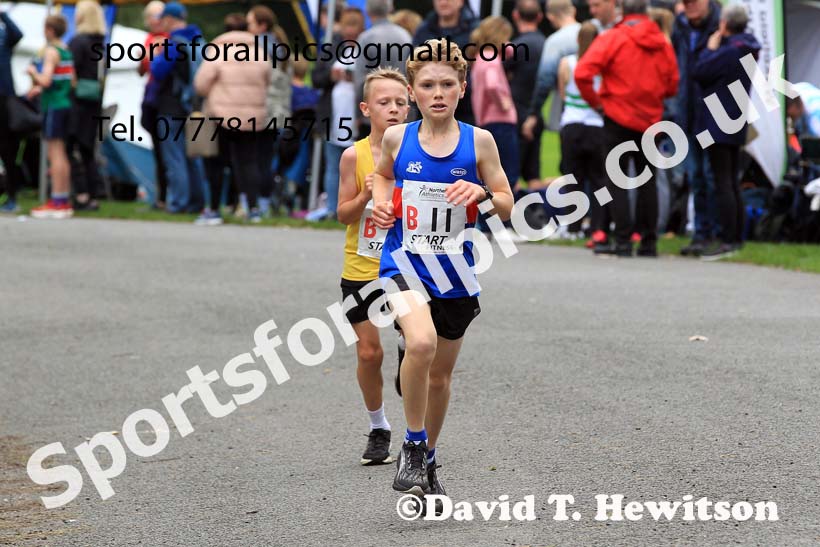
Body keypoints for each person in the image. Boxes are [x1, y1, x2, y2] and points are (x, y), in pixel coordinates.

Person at [371, 38, 514, 498]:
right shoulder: (397, 137)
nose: (437, 93)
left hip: (454, 271)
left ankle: (428, 459)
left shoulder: (480, 141)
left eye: (446, 84)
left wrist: (482, 194)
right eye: (427, 84)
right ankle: (412, 444)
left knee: (439, 376)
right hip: (403, 261)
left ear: (462, 88)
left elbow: (508, 204)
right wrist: (379, 204)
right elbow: (384, 174)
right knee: (422, 341)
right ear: (412, 92)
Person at [337, 68, 410, 466]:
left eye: (401, 102)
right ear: (367, 108)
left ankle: (407, 346)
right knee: (368, 353)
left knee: (417, 343)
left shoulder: (420, 150)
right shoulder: (355, 155)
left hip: (408, 264)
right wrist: (365, 195)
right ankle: (378, 427)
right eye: (384, 103)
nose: (394, 109)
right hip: (362, 266)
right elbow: (342, 215)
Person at [575, 0, 679, 256]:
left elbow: (582, 73)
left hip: (617, 117)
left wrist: (597, 103)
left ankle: (622, 240)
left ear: (623, 8)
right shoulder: (662, 42)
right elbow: (673, 84)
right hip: (651, 119)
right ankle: (649, 242)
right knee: (648, 181)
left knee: (616, 180)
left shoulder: (614, 37)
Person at [693, 5, 760, 260]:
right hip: (735, 119)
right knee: (731, 181)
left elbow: (699, 71)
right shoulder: (748, 47)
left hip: (716, 121)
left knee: (723, 182)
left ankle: (727, 238)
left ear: (724, 24)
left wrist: (710, 47)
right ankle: (737, 237)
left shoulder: (728, 51)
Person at [194, 13, 271, 225]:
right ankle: (254, 209)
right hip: (251, 117)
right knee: (248, 162)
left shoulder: (217, 50)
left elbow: (201, 83)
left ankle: (214, 210)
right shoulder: (260, 51)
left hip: (220, 115)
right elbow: (267, 80)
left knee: (216, 163)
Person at [672, 0, 721, 256]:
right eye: (686, 3)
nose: (690, 7)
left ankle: (716, 232)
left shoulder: (720, 27)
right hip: (688, 113)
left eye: (694, 2)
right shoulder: (680, 28)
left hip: (713, 114)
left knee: (713, 176)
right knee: (696, 177)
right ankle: (701, 232)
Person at [149, 2, 206, 214]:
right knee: (193, 157)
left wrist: (156, 54)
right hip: (194, 106)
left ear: (170, 19)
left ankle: (178, 202)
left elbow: (159, 70)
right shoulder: (198, 39)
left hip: (172, 106)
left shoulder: (174, 42)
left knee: (174, 157)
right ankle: (196, 202)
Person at [556, 22, 606, 240]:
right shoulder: (603, 66)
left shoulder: (567, 63)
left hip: (572, 123)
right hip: (596, 124)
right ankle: (598, 226)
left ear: (578, 41)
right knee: (598, 179)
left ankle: (573, 226)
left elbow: (563, 95)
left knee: (573, 178)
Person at [316, 7, 365, 220]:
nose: (350, 34)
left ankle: (356, 209)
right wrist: (331, 75)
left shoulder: (367, 49)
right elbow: (316, 77)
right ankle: (332, 209)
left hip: (357, 117)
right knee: (333, 165)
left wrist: (353, 77)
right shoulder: (332, 48)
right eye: (347, 28)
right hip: (333, 116)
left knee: (358, 167)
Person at [28, 15, 75, 220]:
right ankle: (62, 199)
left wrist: (32, 74)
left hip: (54, 105)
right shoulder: (66, 51)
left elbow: (46, 79)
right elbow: (71, 81)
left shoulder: (51, 52)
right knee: (62, 153)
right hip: (65, 103)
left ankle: (56, 200)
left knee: (54, 153)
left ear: (49, 30)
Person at [247, 5, 291, 218]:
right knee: (266, 157)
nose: (248, 28)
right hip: (278, 110)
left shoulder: (260, 46)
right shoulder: (280, 45)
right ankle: (265, 201)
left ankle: (255, 203)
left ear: (261, 25)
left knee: (254, 158)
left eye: (250, 24)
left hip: (261, 108)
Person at [469, 17, 519, 198]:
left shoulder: (479, 58)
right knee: (508, 171)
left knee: (487, 173)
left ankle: (488, 218)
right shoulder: (492, 60)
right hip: (500, 120)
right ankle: (506, 217)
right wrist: (503, 103)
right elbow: (492, 85)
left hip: (485, 119)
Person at [520, 0, 580, 142]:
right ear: (573, 11)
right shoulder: (589, 33)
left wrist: (533, 114)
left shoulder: (556, 41)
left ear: (550, 17)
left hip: (568, 107)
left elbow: (545, 81)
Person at [412, 0, 479, 125]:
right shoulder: (424, 29)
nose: (443, 2)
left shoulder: (475, 31)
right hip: (426, 111)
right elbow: (412, 66)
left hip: (466, 108)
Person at [68, 0, 107, 212]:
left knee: (69, 148)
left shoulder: (79, 41)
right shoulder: (99, 42)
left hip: (78, 102)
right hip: (94, 101)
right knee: (87, 150)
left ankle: (82, 193)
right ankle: (94, 193)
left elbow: (69, 71)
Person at [504, 0, 546, 191]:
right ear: (539, 17)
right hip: (536, 113)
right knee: (534, 175)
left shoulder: (515, 48)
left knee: (509, 176)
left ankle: (510, 219)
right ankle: (536, 217)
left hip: (515, 113)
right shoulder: (546, 44)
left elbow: (500, 74)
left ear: (515, 15)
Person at [353, 0, 412, 108]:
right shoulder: (405, 36)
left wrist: (359, 113)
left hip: (376, 108)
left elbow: (360, 81)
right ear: (391, 9)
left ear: (367, 11)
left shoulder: (366, 38)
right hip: (401, 106)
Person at [139, 0, 169, 210]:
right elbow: (142, 69)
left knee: (168, 150)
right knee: (158, 150)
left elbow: (160, 71)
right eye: (152, 16)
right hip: (151, 99)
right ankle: (161, 196)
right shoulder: (148, 39)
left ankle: (167, 196)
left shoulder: (170, 40)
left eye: (158, 16)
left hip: (165, 100)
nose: (155, 20)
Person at [0, 5, 24, 214]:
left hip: (5, 98)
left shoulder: (4, 39)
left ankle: (12, 195)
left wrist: (3, 14)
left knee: (8, 148)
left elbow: (17, 34)